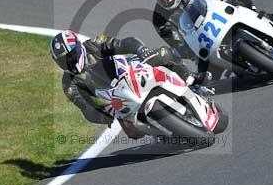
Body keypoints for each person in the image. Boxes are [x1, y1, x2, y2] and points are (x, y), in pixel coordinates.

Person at [50, 30, 208, 138]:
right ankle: (165, 135)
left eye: (70, 56)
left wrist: (141, 50)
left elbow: (125, 43)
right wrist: (105, 116)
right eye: (62, 61)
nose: (68, 62)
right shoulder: (69, 84)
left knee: (163, 54)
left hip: (129, 72)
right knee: (133, 133)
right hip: (116, 102)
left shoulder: (94, 44)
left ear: (79, 47)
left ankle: (190, 78)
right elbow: (86, 109)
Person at [150, 0, 273, 72]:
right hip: (198, 42)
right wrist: (186, 49)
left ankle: (260, 17)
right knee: (205, 78)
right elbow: (176, 43)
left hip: (215, 19)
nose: (167, 0)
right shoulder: (159, 18)